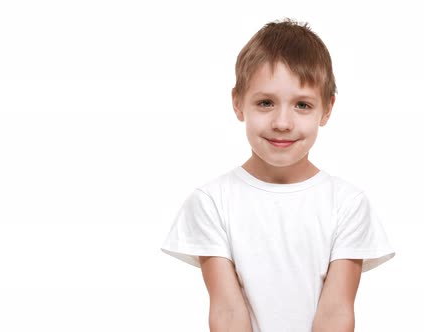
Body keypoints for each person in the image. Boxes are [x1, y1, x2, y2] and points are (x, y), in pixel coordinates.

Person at [161, 18, 395, 332]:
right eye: (266, 103)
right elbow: (228, 312)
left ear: (327, 109)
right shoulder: (212, 202)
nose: (282, 122)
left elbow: (336, 313)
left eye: (302, 105)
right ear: (237, 102)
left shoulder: (347, 203)